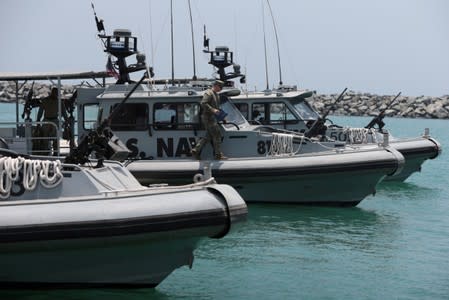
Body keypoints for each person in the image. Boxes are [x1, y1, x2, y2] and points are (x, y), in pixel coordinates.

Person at [191, 80, 227, 160]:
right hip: (208, 118)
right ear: (216, 86)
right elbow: (203, 103)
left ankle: (196, 150)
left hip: (213, 118)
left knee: (209, 135)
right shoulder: (209, 93)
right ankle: (218, 155)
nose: (221, 89)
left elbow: (217, 108)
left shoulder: (216, 95)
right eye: (220, 87)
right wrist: (212, 110)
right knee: (217, 134)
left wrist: (223, 117)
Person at [36, 87, 67, 155]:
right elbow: (40, 112)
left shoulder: (60, 102)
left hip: (55, 120)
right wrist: (38, 121)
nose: (55, 94)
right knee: (45, 139)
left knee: (55, 139)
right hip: (46, 120)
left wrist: (67, 121)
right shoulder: (45, 100)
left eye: (56, 93)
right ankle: (46, 152)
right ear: (51, 92)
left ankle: (55, 153)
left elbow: (64, 112)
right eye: (54, 92)